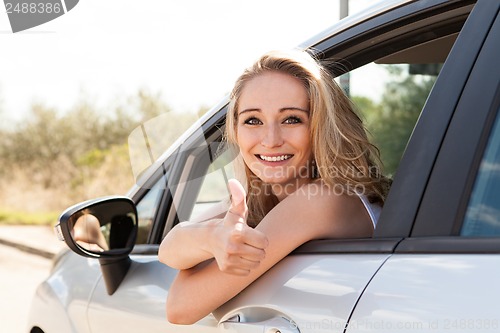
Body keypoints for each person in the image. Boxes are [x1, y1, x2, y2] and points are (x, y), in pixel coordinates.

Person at [158, 49, 391, 324]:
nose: (270, 140)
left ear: (321, 126)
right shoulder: (261, 198)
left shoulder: (323, 200)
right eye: (253, 120)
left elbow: (180, 307)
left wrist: (207, 246)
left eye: (291, 119)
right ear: (235, 130)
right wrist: (211, 239)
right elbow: (168, 249)